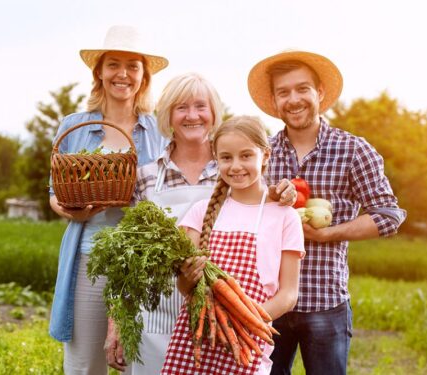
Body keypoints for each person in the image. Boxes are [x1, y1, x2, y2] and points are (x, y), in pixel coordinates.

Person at [104, 74, 298, 374]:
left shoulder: (231, 167)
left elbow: (260, 202)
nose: (192, 115)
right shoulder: (145, 176)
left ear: (213, 113)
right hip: (157, 319)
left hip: (221, 320)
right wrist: (116, 324)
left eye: (200, 106)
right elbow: (128, 263)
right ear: (168, 114)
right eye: (181, 107)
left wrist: (242, 317)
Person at [247, 50, 407, 374]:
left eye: (302, 88)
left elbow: (389, 215)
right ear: (275, 101)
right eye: (283, 92)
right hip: (269, 302)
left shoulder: (353, 150)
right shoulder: (261, 153)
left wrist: (328, 234)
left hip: (326, 302)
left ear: (319, 93)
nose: (294, 99)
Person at [48, 25, 169, 374]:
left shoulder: (159, 131)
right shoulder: (74, 127)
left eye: (133, 66)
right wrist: (76, 213)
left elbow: (168, 193)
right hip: (90, 257)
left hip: (142, 263)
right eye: (113, 64)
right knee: (86, 361)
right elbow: (56, 195)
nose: (123, 74)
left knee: (138, 358)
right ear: (99, 72)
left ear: (143, 77)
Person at [161, 115, 306, 374]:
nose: (236, 165)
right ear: (216, 159)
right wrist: (188, 277)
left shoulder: (285, 217)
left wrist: (244, 322)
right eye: (226, 157)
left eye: (246, 155)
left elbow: (288, 294)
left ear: (265, 155)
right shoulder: (200, 212)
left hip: (248, 339)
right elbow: (185, 287)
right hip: (196, 337)